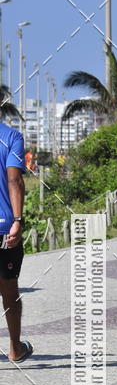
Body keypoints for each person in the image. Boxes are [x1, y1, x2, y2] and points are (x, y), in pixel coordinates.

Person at [0, 121, 32, 363]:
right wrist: (18, 220)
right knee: (9, 290)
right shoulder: (11, 137)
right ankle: (15, 348)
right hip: (4, 227)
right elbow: (15, 181)